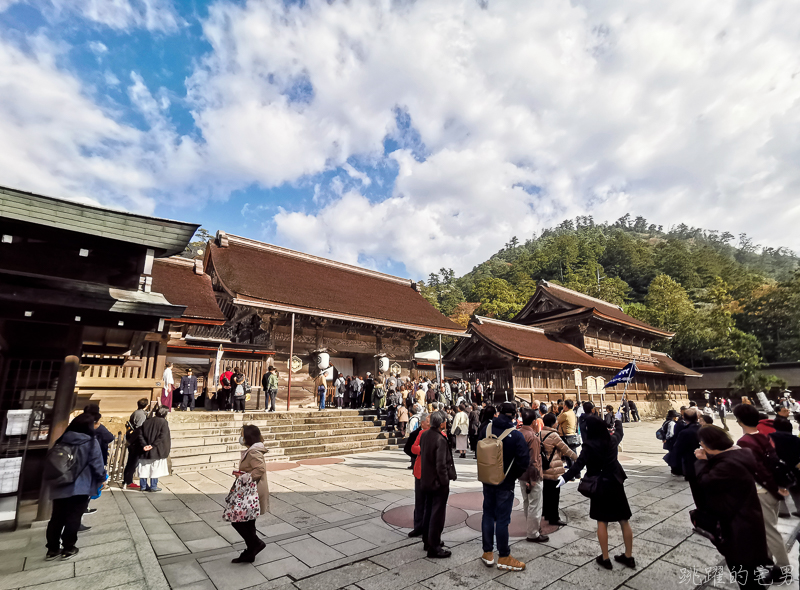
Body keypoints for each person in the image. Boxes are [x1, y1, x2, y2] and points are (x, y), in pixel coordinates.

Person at [694, 426, 772, 589]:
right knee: (749, 570)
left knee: (743, 571)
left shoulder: (727, 464)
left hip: (738, 526)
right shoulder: (737, 455)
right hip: (747, 519)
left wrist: (701, 461)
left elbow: (705, 482)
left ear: (707, 446)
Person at [559, 415, 633, 570]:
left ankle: (605, 558)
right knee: (624, 520)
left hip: (599, 485)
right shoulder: (612, 441)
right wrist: (618, 420)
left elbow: (577, 466)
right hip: (615, 482)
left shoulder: (589, 446)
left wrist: (564, 478)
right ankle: (628, 556)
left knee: (602, 522)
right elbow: (620, 432)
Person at [733, 403, 791, 578]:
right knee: (767, 527)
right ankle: (767, 559)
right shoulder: (763, 437)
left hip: (762, 490)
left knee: (769, 530)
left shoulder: (744, 442)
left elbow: (758, 470)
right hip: (771, 488)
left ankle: (783, 569)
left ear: (739, 421)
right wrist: (779, 487)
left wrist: (775, 489)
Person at [44, 414, 106, 560]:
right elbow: (97, 464)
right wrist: (102, 479)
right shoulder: (91, 442)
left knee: (57, 518)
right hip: (81, 485)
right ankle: (68, 547)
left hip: (60, 484)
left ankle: (52, 549)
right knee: (73, 517)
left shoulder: (62, 439)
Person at [478, 402, 530, 571]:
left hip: (487, 479)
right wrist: (511, 475)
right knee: (502, 519)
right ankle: (504, 555)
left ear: (498, 412)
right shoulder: (516, 435)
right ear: (514, 415)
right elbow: (524, 462)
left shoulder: (485, 429)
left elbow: (477, 448)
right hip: (505, 482)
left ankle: (487, 553)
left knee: (487, 514)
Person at [418, 411, 456, 558]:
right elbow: (440, 465)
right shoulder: (440, 439)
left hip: (426, 479)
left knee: (428, 510)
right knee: (437, 514)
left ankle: (427, 540)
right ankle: (434, 546)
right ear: (441, 423)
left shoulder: (425, 435)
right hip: (437, 482)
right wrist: (445, 482)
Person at [230, 424, 270, 563]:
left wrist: (245, 477)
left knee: (238, 521)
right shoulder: (252, 450)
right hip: (250, 491)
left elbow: (260, 469)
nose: (240, 437)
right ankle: (250, 552)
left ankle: (256, 544)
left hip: (252, 492)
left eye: (242, 434)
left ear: (248, 437)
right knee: (249, 522)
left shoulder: (253, 452)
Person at [541, 412, 577, 527]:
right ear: (553, 423)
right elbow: (566, 450)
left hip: (543, 468)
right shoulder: (554, 436)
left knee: (546, 492)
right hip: (553, 469)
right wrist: (578, 459)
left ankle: (546, 514)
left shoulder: (539, 434)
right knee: (554, 495)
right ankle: (554, 517)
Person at [518, 408, 548, 543]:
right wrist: (534, 479)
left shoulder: (518, 433)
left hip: (521, 474)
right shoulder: (533, 437)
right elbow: (534, 461)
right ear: (534, 422)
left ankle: (531, 527)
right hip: (532, 475)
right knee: (535, 504)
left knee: (526, 502)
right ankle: (533, 533)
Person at [135, 406, 171, 492]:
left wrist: (144, 445)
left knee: (144, 467)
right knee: (155, 467)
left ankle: (143, 486)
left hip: (145, 449)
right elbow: (162, 435)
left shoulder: (147, 421)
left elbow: (140, 434)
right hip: (157, 449)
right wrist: (153, 445)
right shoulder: (163, 422)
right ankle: (153, 485)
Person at [770, 417, 800, 518]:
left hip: (778, 468)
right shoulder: (796, 439)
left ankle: (783, 511)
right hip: (794, 468)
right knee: (796, 489)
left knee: (779, 489)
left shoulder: (770, 437)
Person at [406, 412, 430, 534]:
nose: (429, 423)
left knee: (429, 501)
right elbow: (409, 448)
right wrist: (417, 456)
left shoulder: (434, 434)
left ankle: (427, 527)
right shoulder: (417, 433)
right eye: (428, 421)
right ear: (422, 422)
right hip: (419, 469)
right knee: (419, 500)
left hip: (430, 472)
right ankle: (418, 526)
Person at [665, 408, 701, 478]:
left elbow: (678, 448)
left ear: (684, 418)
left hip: (690, 460)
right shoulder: (703, 428)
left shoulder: (685, 432)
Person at [123, 398, 149, 490]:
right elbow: (139, 429)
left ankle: (126, 480)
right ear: (146, 405)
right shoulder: (141, 415)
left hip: (132, 439)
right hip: (136, 441)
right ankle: (128, 481)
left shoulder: (135, 412)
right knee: (133, 462)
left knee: (131, 462)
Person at [556, 399, 580, 468]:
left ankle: (571, 474)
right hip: (572, 435)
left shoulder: (565, 414)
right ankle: (577, 473)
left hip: (566, 436)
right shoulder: (572, 413)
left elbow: (557, 420)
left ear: (565, 406)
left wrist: (561, 412)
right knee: (573, 454)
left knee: (568, 454)